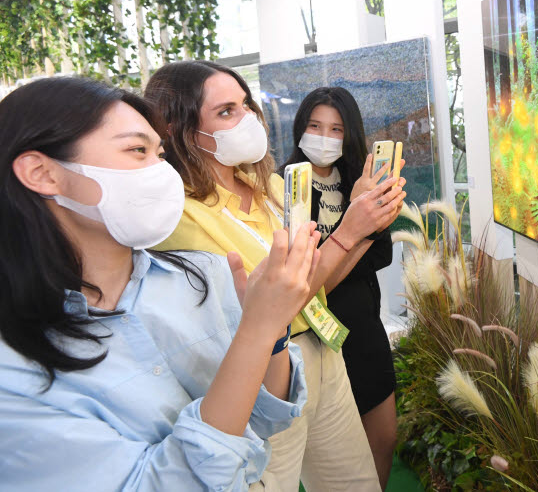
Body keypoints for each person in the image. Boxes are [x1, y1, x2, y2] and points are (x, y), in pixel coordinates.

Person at [0, 77, 317, 490]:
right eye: (136, 150)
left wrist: (272, 333)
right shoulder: (12, 361)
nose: (162, 172)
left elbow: (264, 417)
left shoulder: (204, 275)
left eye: (159, 153)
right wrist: (256, 330)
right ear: (42, 173)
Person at [145, 61, 405, 492]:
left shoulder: (264, 185)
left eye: (246, 106)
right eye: (226, 112)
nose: (246, 119)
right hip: (268, 372)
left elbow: (313, 283)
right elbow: (273, 305)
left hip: (324, 349)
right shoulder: (180, 216)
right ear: (179, 127)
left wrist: (364, 223)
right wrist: (352, 229)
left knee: (355, 481)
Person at [281, 87, 399, 490]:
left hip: (362, 326)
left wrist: (359, 232)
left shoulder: (358, 180)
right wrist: (354, 231)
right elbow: (306, 281)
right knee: (333, 456)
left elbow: (380, 251)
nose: (324, 137)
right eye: (315, 126)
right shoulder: (286, 187)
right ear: (300, 128)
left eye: (336, 129)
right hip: (314, 332)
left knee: (383, 437)